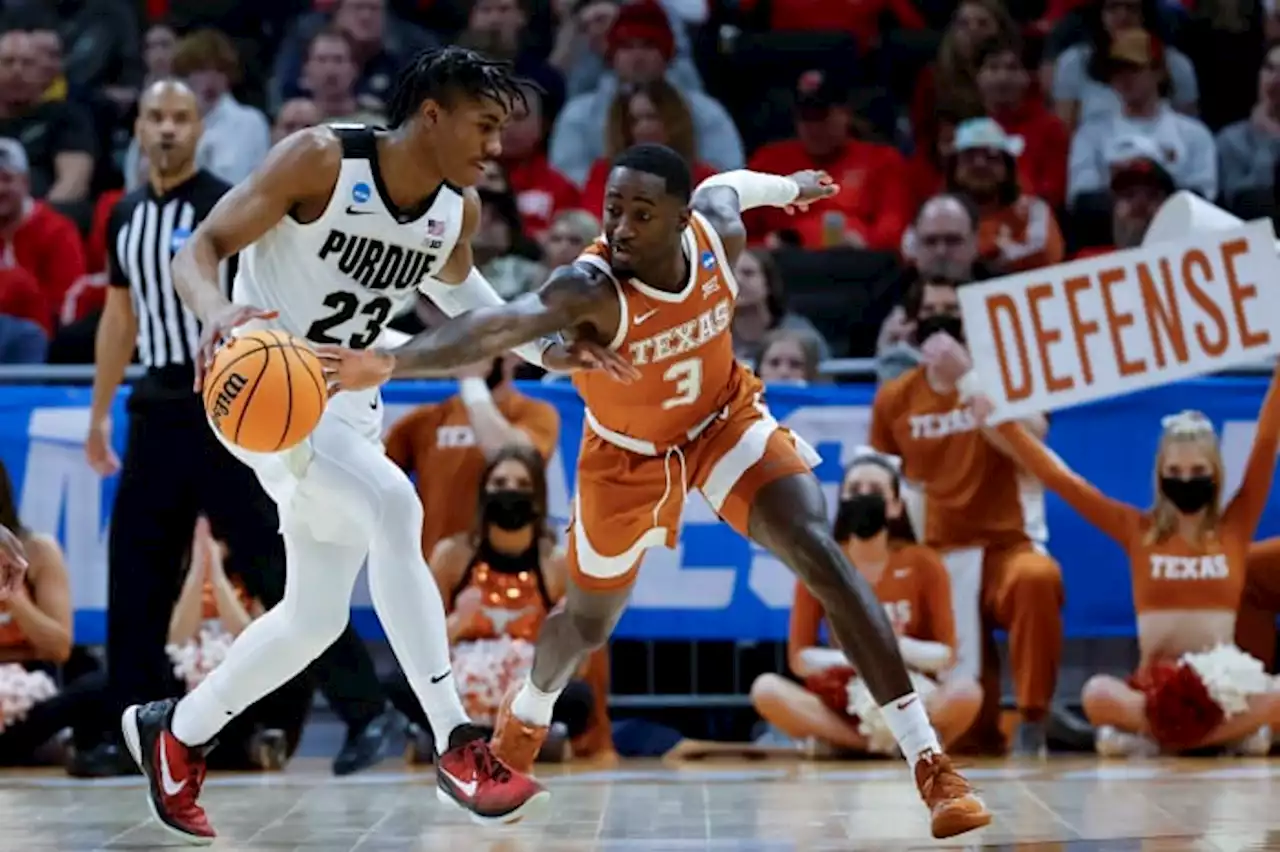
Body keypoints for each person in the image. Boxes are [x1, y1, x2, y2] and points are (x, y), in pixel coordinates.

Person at [319, 143, 993, 839]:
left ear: (680, 219)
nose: (622, 227)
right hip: (625, 456)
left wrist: (785, 185)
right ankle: (525, 714)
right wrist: (389, 361)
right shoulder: (591, 286)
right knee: (586, 623)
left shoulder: (717, 232)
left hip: (722, 421)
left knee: (820, 553)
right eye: (613, 209)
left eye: (642, 213)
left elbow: (730, 187)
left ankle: (930, 763)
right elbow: (500, 324)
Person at [122, 48, 620, 842]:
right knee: (395, 502)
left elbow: (473, 305)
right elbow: (198, 250)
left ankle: (176, 732)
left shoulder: (454, 210)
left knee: (315, 618)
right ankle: (458, 742)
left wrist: (553, 351)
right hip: (263, 385)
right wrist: (215, 311)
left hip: (345, 403)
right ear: (432, 115)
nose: (496, 147)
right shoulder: (323, 158)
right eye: (484, 126)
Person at [88, 79, 390, 782]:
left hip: (233, 402)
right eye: (154, 116)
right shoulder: (123, 212)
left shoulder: (226, 204)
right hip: (154, 404)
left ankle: (367, 712)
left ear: (201, 129)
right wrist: (102, 412)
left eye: (180, 118)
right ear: (136, 126)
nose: (166, 129)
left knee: (277, 566)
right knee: (135, 577)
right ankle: (131, 729)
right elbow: (119, 318)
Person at [927, 334, 1280, 756]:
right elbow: (1061, 480)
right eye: (1176, 470)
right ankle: (1216, 739)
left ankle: (1161, 740)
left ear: (1216, 473)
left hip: (1224, 686)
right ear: (1161, 474)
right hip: (1155, 687)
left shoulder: (1234, 528)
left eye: (1198, 469)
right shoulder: (1138, 530)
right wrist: (1002, 424)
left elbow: (1264, 444)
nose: (1187, 479)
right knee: (1097, 694)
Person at [869, 276, 1064, 757]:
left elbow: (1034, 443)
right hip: (936, 556)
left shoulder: (1002, 377)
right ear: (914, 324)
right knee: (973, 735)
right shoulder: (895, 398)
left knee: (1037, 578)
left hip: (1006, 546)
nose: (942, 318)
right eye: (931, 309)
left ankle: (1035, 718)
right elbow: (879, 477)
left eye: (952, 309)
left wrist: (969, 379)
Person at [388, 446, 612, 764]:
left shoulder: (556, 565)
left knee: (579, 698)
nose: (510, 492)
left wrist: (561, 643)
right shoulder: (452, 556)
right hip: (461, 688)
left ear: (538, 496)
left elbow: (580, 667)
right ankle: (509, 744)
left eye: (522, 485)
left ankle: (460, 745)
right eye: (500, 483)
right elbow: (419, 647)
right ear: (483, 493)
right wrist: (457, 624)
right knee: (397, 685)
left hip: (525, 686)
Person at [751, 451, 982, 755]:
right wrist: (859, 653)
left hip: (911, 690)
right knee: (766, 689)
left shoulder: (924, 563)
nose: (863, 498)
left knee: (967, 693)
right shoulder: (818, 562)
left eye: (875, 492)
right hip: (843, 694)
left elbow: (946, 655)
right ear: (841, 501)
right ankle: (880, 745)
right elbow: (799, 659)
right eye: (855, 491)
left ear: (897, 506)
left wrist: (895, 647)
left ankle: (854, 744)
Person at [386, 353, 559, 562]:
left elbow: (509, 455)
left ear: (517, 356)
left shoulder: (536, 413)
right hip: (434, 563)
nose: (480, 355)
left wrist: (473, 384)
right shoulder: (426, 419)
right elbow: (377, 476)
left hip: (509, 564)